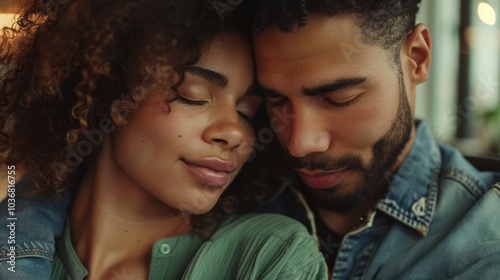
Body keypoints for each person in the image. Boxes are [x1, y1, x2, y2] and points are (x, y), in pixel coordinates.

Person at [0, 0, 328, 279]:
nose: (234, 132)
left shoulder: (269, 254)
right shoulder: (15, 239)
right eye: (193, 96)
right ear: (109, 94)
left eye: (247, 111)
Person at [250, 0, 500, 279]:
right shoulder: (235, 199)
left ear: (417, 57)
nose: (300, 144)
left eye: (339, 99)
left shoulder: (486, 240)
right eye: (276, 100)